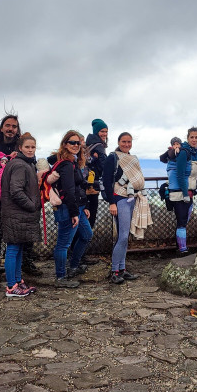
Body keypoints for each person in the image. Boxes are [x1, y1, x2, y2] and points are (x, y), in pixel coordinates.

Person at [0, 114, 42, 287]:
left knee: (21, 238)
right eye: (8, 125)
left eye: (14, 126)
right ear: (1, 128)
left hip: (18, 203)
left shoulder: (23, 148)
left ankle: (22, 268)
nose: (11, 129)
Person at [103, 132, 151, 283]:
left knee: (125, 235)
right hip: (119, 198)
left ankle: (122, 269)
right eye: (124, 142)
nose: (126, 144)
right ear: (118, 142)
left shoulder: (132, 158)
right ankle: (115, 271)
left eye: (129, 142)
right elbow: (106, 180)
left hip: (131, 198)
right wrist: (112, 202)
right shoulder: (113, 157)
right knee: (122, 236)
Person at [50, 130, 92, 288]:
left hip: (78, 207)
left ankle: (74, 266)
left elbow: (78, 188)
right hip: (69, 209)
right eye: (72, 142)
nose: (76, 145)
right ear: (65, 145)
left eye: (78, 143)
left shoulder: (73, 162)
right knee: (63, 244)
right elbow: (69, 191)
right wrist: (75, 213)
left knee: (87, 235)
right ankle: (61, 276)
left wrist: (84, 206)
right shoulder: (67, 165)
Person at [0, 133, 40, 297]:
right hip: (18, 213)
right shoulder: (20, 165)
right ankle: (11, 286)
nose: (30, 150)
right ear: (20, 147)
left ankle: (17, 281)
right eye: (27, 147)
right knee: (13, 248)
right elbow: (16, 191)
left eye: (33, 147)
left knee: (18, 248)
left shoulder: (23, 163)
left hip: (18, 214)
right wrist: (31, 206)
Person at [167, 127, 197, 254]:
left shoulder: (195, 153)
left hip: (189, 192)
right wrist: (185, 193)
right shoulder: (184, 152)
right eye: (192, 137)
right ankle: (182, 249)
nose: (194, 139)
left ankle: (180, 246)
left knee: (184, 221)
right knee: (182, 221)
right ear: (187, 138)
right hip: (180, 193)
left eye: (196, 137)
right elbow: (180, 174)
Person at [83, 119, 109, 228]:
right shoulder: (98, 146)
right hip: (92, 184)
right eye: (102, 131)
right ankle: (83, 242)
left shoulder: (89, 144)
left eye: (106, 131)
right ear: (96, 132)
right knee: (90, 219)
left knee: (84, 216)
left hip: (85, 183)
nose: (104, 134)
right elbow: (103, 166)